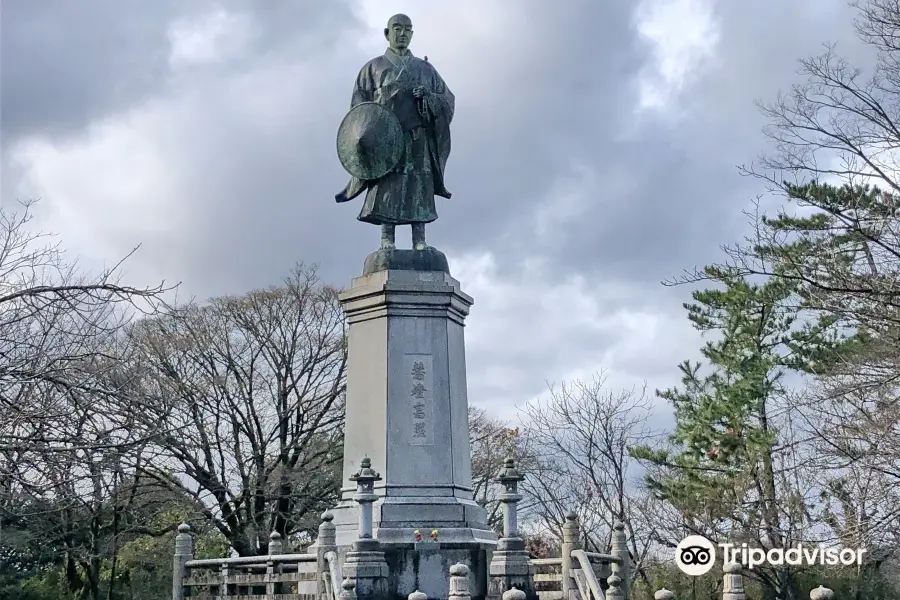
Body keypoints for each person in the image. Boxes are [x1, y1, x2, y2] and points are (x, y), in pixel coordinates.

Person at [335, 14, 454, 251]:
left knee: (419, 184)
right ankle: (386, 239)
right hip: (385, 140)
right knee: (387, 186)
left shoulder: (426, 69)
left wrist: (429, 98)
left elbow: (447, 100)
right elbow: (359, 110)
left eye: (407, 30)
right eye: (397, 29)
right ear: (387, 33)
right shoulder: (372, 68)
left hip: (416, 138)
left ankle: (419, 240)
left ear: (412, 34)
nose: (402, 34)